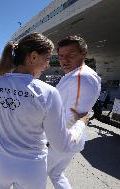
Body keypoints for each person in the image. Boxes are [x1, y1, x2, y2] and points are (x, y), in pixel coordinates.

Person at [0, 33, 89, 189]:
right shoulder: (47, 92)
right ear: (33, 57)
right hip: (31, 168)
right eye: (47, 58)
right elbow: (61, 144)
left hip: (0, 163)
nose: (48, 65)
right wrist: (81, 124)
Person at [47, 36, 101, 189]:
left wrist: (47, 140)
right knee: (56, 174)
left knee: (30, 178)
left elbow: (73, 115)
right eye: (61, 56)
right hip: (71, 139)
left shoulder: (80, 77)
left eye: (71, 54)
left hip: (60, 140)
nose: (64, 60)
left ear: (83, 53)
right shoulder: (79, 74)